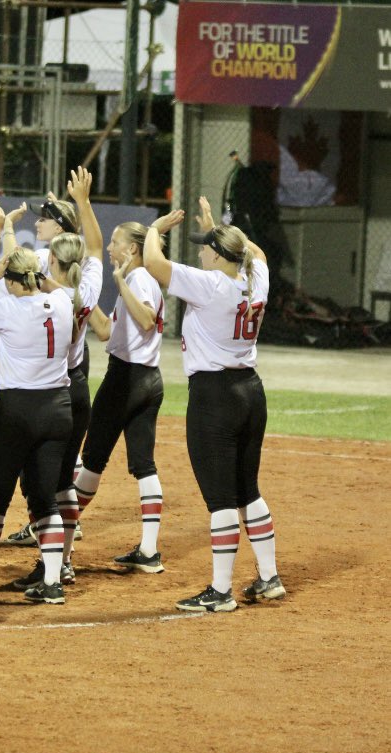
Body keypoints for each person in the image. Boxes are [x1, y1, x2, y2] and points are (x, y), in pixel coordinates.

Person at [143, 197, 285, 613]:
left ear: (220, 255)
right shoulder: (254, 278)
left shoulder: (211, 284)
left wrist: (156, 229)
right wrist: (220, 229)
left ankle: (221, 592)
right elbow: (254, 254)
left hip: (214, 397)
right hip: (250, 391)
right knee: (247, 489)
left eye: (206, 245)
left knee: (221, 498)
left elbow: (153, 263)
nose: (201, 250)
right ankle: (269, 575)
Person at [1, 168, 104, 588]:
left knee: (41, 483)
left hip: (46, 387)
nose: (39, 224)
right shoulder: (86, 281)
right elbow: (94, 247)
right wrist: (82, 202)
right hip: (74, 384)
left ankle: (54, 565)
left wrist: (5, 230)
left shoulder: (46, 277)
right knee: (60, 482)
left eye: (46, 219)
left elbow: (12, 266)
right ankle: (63, 559)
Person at [0, 243, 74, 604]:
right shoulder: (63, 302)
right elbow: (57, 291)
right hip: (58, 409)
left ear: (14, 281)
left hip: (17, 409)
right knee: (46, 499)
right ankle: (52, 581)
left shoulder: (6, 307)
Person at [73, 218, 167, 574]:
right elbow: (105, 332)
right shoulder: (135, 280)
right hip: (147, 380)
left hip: (126, 382)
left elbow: (145, 319)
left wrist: (118, 282)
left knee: (92, 462)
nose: (110, 248)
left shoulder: (138, 278)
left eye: (115, 242)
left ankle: (57, 532)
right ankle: (148, 550)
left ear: (132, 249)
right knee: (143, 465)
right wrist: (79, 296)